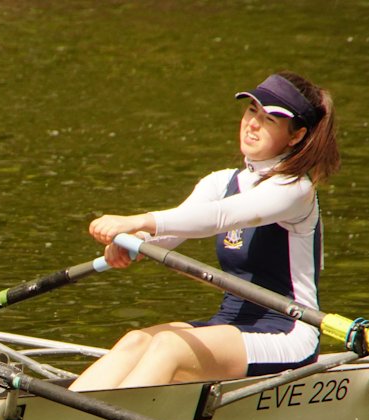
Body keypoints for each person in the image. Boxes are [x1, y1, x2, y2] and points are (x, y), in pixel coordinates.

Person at [70, 72, 340, 391]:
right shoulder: (220, 182)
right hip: (227, 326)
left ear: (295, 137)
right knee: (136, 340)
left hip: (288, 331)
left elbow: (219, 216)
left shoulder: (295, 189)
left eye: (269, 119)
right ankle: (58, 419)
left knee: (170, 346)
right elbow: (171, 231)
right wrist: (132, 244)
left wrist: (138, 220)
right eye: (252, 110)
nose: (252, 123)